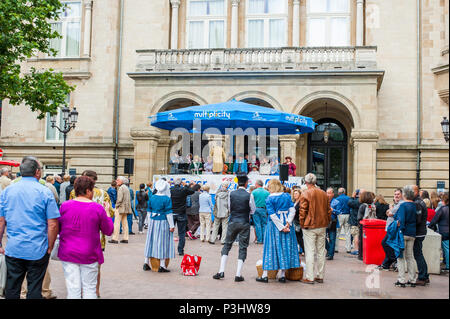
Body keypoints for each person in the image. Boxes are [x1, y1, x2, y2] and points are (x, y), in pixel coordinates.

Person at [0, 156, 59, 299]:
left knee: (12, 287)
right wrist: (50, 246)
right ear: (37, 172)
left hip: (14, 248)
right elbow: (53, 224)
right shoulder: (45, 192)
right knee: (34, 288)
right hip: (37, 248)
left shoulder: (8, 191)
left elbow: (1, 220)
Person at [58, 176, 114, 299]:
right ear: (88, 191)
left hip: (68, 251)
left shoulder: (65, 206)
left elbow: (59, 227)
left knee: (73, 289)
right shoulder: (97, 208)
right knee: (89, 288)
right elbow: (108, 230)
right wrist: (108, 214)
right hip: (89, 252)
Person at [213, 174, 256, 282]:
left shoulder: (231, 194)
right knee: (243, 247)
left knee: (227, 245)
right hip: (244, 222)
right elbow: (253, 210)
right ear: (246, 183)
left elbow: (230, 207)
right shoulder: (249, 195)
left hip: (233, 221)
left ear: (238, 183)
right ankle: (238, 274)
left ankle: (221, 271)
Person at [256, 179, 300, 283]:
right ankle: (282, 275)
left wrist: (281, 227)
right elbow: (292, 210)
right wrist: (288, 223)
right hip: (287, 223)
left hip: (274, 226)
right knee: (285, 247)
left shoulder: (269, 199)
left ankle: (265, 275)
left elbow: (272, 215)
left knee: (271, 248)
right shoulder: (286, 196)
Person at [299, 173, 332, 284]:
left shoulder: (305, 193)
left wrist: (302, 224)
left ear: (306, 182)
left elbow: (302, 211)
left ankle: (310, 276)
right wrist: (327, 221)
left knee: (310, 251)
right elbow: (328, 210)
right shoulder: (323, 193)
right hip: (322, 225)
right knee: (321, 251)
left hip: (310, 226)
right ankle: (320, 275)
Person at [143, 179, 175, 273]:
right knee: (162, 242)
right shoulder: (166, 199)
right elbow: (169, 214)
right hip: (162, 222)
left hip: (153, 221)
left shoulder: (152, 197)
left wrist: (149, 222)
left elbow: (148, 211)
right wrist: (172, 225)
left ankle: (146, 262)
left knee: (150, 241)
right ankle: (162, 265)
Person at [394, 186, 418, 287]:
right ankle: (412, 279)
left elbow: (400, 219)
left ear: (404, 195)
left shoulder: (403, 206)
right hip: (412, 233)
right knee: (410, 257)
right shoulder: (415, 205)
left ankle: (402, 279)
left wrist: (400, 228)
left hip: (403, 233)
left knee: (400, 257)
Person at [379, 188, 404, 271]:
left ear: (402, 195)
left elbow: (390, 213)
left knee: (385, 243)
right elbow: (388, 213)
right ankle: (386, 264)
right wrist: (389, 210)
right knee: (389, 244)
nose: (396, 196)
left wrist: (390, 210)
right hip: (390, 228)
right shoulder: (396, 204)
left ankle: (393, 259)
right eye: (395, 194)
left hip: (394, 229)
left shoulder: (400, 204)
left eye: (398, 194)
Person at [170, 178, 195, 255]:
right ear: (180, 183)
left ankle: (168, 249)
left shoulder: (171, 189)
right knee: (181, 233)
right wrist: (186, 185)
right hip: (181, 213)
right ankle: (180, 250)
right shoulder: (183, 190)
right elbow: (192, 191)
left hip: (172, 213)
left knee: (169, 232)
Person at [412, 185, 429, 286]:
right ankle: (425, 276)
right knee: (419, 254)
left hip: (418, 233)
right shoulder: (419, 202)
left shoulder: (417, 203)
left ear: (415, 192)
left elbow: (417, 220)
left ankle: (422, 277)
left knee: (418, 254)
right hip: (420, 232)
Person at [428, 191, 449, 271]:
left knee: (446, 249)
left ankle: (448, 266)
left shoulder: (443, 209)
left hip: (445, 232)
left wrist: (429, 227)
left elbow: (434, 220)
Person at [109, 176, 132, 244]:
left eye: (118, 180)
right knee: (125, 223)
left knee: (117, 223)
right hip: (125, 208)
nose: (116, 181)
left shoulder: (121, 188)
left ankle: (115, 238)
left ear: (122, 181)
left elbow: (119, 199)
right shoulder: (126, 188)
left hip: (120, 208)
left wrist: (116, 206)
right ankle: (125, 238)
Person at [357, 191, 376, 261]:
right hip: (372, 226)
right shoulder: (373, 205)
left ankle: (361, 255)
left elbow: (359, 218)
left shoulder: (362, 206)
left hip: (364, 226)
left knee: (362, 241)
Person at [252, 180, 270, 244]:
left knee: (257, 224)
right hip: (263, 209)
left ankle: (259, 240)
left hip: (255, 209)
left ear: (257, 184)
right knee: (264, 224)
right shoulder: (267, 192)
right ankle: (264, 239)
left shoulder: (254, 192)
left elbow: (251, 202)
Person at [334, 187, 351, 254]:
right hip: (347, 215)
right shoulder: (348, 198)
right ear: (344, 192)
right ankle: (348, 248)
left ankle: (336, 248)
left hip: (339, 215)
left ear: (338, 193)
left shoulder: (337, 199)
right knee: (347, 232)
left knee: (337, 232)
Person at [325, 188, 340, 260]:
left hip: (332, 222)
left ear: (333, 194)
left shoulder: (336, 202)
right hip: (324, 222)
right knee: (322, 238)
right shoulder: (323, 201)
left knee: (332, 238)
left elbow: (339, 212)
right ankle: (329, 249)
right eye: (327, 193)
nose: (328, 194)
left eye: (329, 193)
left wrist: (332, 210)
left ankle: (331, 255)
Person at [348, 189, 362, 256]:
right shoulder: (365, 201)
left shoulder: (357, 201)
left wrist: (352, 196)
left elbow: (349, 203)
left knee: (355, 235)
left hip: (355, 221)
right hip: (360, 221)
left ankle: (357, 249)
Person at [292, 188, 305, 255]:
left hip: (299, 222)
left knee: (299, 238)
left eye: (296, 193)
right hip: (294, 222)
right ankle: (302, 250)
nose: (295, 195)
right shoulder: (294, 202)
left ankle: (304, 250)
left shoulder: (301, 203)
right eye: (294, 193)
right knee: (298, 238)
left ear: (300, 194)